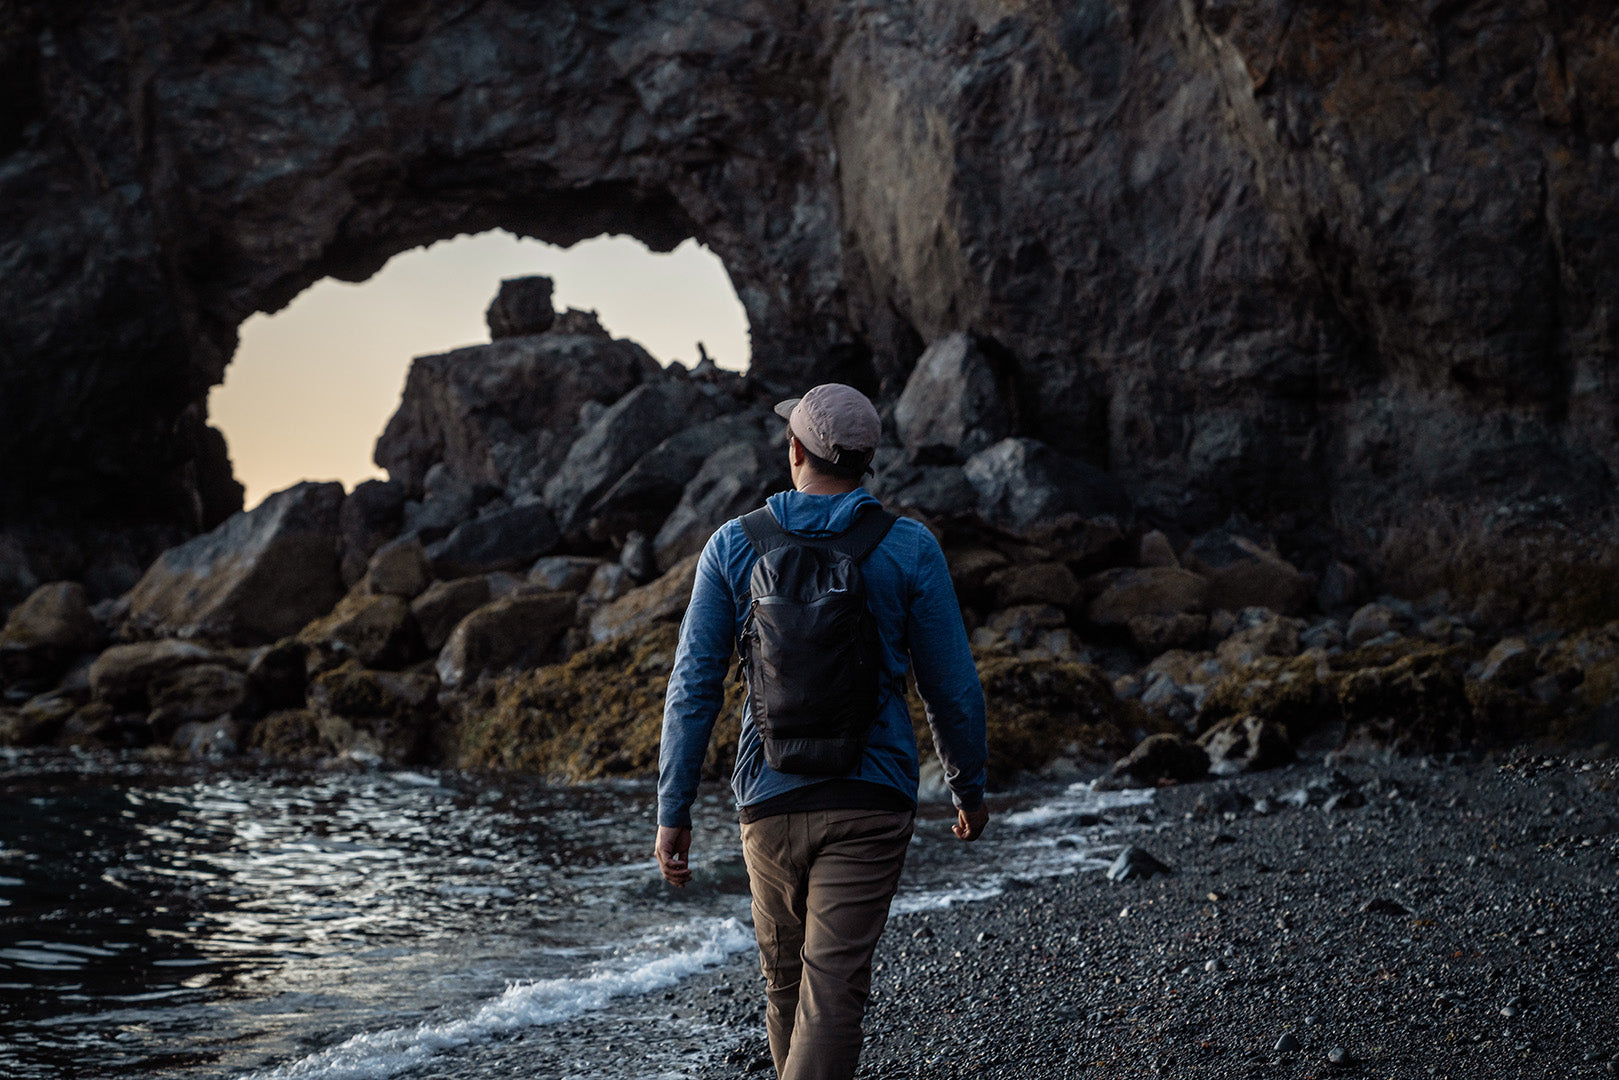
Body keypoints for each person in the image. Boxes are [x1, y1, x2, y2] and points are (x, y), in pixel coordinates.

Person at [653, 382, 990, 1080]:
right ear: (866, 459)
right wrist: (967, 788)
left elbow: (693, 686)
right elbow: (950, 685)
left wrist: (672, 810)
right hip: (871, 795)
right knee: (831, 988)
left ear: (795, 449)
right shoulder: (909, 547)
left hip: (768, 799)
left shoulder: (731, 545)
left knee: (783, 981)